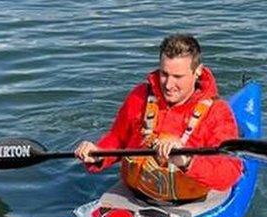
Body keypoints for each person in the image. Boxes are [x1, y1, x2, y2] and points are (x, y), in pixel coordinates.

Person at [74, 34, 243, 204]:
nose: (168, 85)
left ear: (197, 71)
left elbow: (230, 171)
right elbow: (118, 138)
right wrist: (98, 153)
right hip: (132, 195)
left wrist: (187, 161)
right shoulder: (140, 95)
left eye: (178, 77)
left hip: (188, 206)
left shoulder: (217, 112)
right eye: (164, 74)